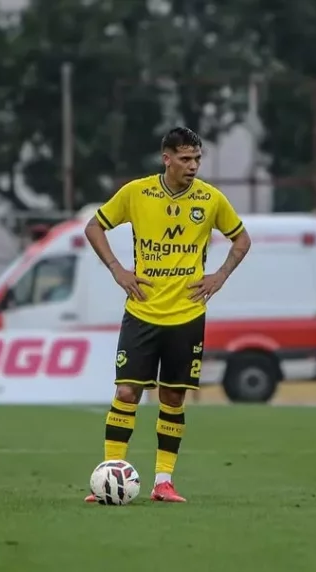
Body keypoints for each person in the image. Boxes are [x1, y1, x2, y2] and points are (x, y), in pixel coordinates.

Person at [82, 126, 252, 504]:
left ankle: (163, 482)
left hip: (187, 315)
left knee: (172, 399)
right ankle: (111, 473)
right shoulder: (136, 192)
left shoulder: (210, 200)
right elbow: (94, 226)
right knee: (127, 391)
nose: (193, 166)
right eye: (186, 159)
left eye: (197, 159)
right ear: (167, 158)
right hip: (142, 311)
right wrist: (117, 269)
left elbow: (242, 238)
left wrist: (219, 276)